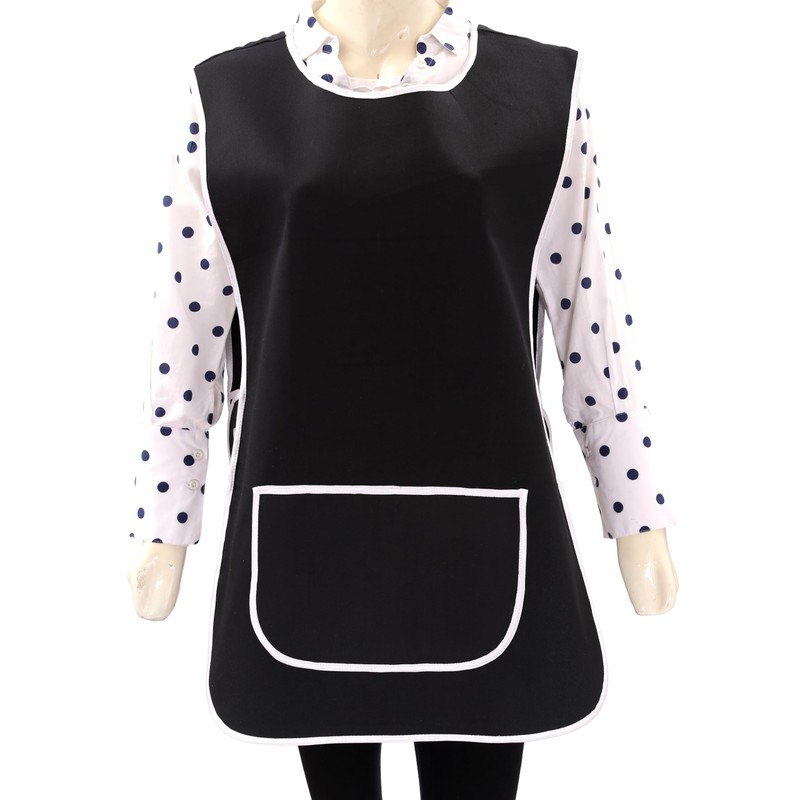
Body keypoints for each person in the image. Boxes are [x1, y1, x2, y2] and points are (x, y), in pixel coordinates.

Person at [128, 1, 678, 797]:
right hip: (306, 543)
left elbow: (593, 331)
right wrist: (164, 524)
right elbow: (186, 344)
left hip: (483, 536)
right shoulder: (228, 98)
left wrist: (638, 518)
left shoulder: (541, 92)